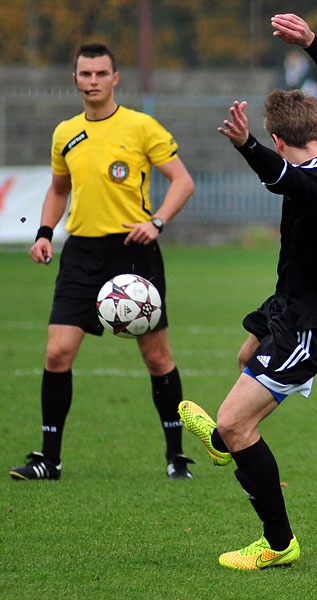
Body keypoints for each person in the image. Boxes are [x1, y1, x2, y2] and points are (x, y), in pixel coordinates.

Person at [178, 12, 317, 570]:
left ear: (283, 139)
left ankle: (278, 543)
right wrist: (312, 41)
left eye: (273, 142)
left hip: (316, 319)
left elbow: (280, 178)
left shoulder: (316, 181)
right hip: (292, 299)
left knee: (238, 423)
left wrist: (245, 144)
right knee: (245, 353)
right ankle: (223, 440)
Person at [10, 42, 195, 481]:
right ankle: (49, 460)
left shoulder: (141, 126)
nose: (92, 81)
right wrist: (43, 233)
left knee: (156, 357)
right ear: (74, 79)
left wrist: (158, 222)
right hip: (81, 253)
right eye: (85, 74)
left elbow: (182, 181)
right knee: (57, 353)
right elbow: (58, 189)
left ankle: (176, 455)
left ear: (115, 78)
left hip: (134, 251)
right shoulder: (65, 133)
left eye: (101, 73)